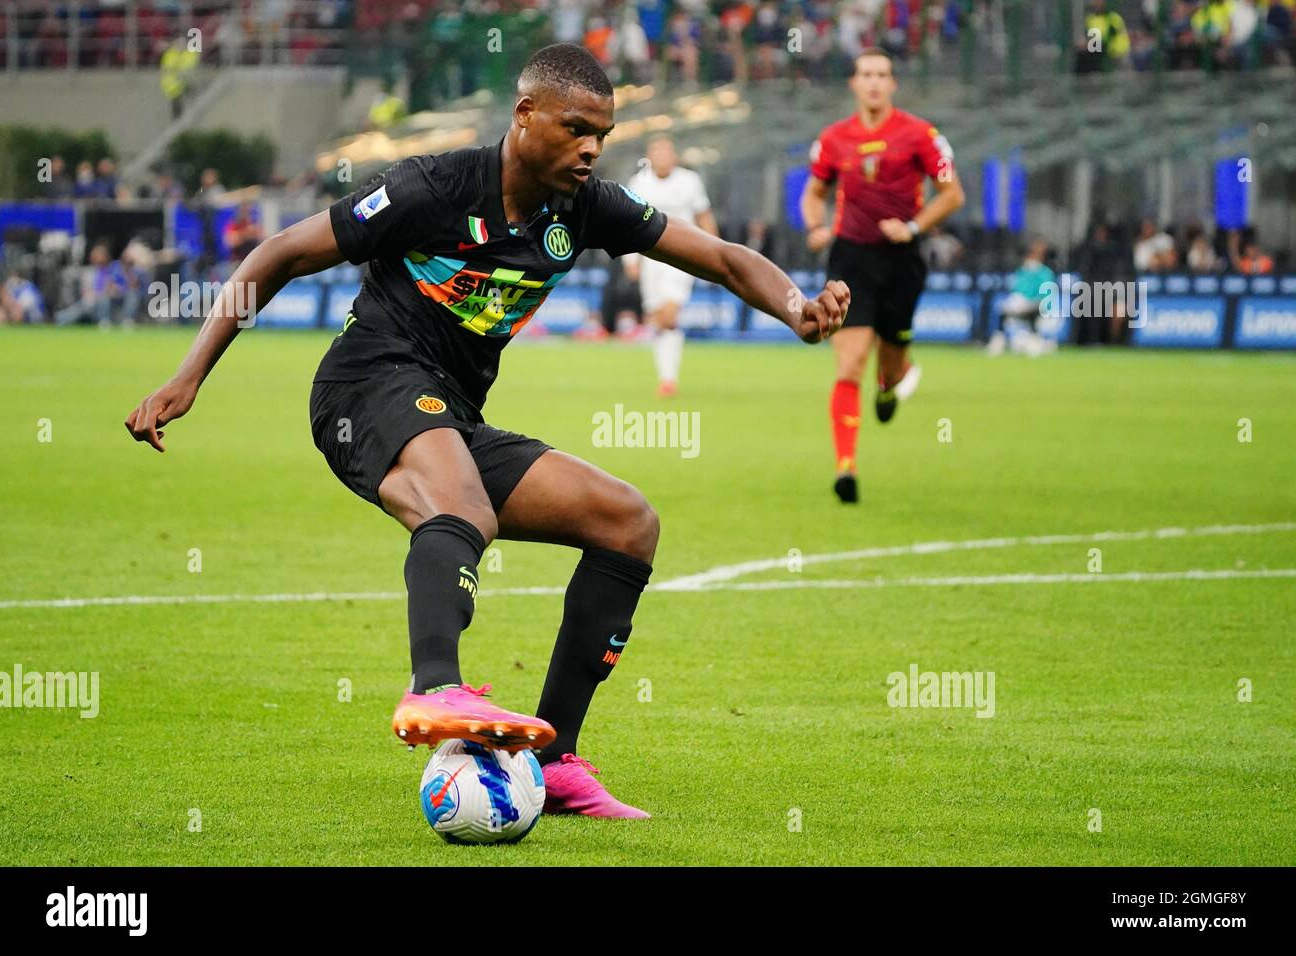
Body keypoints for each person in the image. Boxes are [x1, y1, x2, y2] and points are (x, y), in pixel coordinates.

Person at [123, 43, 848, 820]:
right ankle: (434, 686)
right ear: (525, 115)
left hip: (449, 416)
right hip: (365, 386)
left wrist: (796, 307)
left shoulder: (584, 206)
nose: (592, 148)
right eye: (576, 129)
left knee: (626, 522)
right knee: (462, 508)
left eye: (602, 133)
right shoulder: (429, 188)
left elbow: (721, 258)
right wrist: (190, 374)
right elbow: (279, 253)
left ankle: (557, 758)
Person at [800, 47, 964, 504]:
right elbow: (814, 192)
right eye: (866, 74)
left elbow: (952, 193)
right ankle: (845, 467)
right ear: (853, 83)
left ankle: (890, 387)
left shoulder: (922, 135)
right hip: (850, 260)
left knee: (890, 366)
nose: (874, 82)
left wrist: (913, 226)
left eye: (882, 74)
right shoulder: (833, 138)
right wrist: (815, 225)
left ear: (893, 84)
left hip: (902, 260)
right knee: (849, 361)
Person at [622, 135, 718, 396]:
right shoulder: (639, 183)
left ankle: (667, 378)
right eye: (657, 152)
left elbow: (704, 216)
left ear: (674, 156)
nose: (662, 157)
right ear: (650, 157)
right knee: (659, 320)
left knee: (668, 314)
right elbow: (627, 225)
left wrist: (715, 253)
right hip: (650, 258)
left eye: (667, 152)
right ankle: (668, 379)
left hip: (683, 256)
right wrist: (630, 259)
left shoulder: (690, 181)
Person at [988, 238, 1057, 357]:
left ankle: (1036, 341)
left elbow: (1047, 295)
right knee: (1003, 310)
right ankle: (999, 340)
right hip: (1020, 302)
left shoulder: (1045, 273)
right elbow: (1017, 289)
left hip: (1037, 305)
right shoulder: (1023, 271)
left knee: (1031, 313)